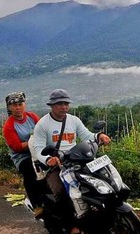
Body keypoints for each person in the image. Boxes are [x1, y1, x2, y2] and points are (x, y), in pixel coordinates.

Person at [32, 89, 111, 234]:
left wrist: (99, 136)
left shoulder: (74, 120)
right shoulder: (43, 124)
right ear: (52, 105)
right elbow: (38, 149)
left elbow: (87, 135)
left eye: (66, 103)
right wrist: (49, 159)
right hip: (57, 165)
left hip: (77, 160)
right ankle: (71, 226)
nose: (63, 107)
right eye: (59, 104)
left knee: (100, 181)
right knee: (61, 192)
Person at [2, 91, 45, 217]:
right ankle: (37, 205)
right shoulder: (9, 126)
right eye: (14, 105)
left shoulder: (32, 117)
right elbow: (17, 147)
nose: (18, 107)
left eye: (20, 104)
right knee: (30, 171)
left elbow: (43, 130)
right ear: (10, 107)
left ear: (24, 104)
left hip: (38, 151)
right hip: (23, 156)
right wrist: (32, 141)